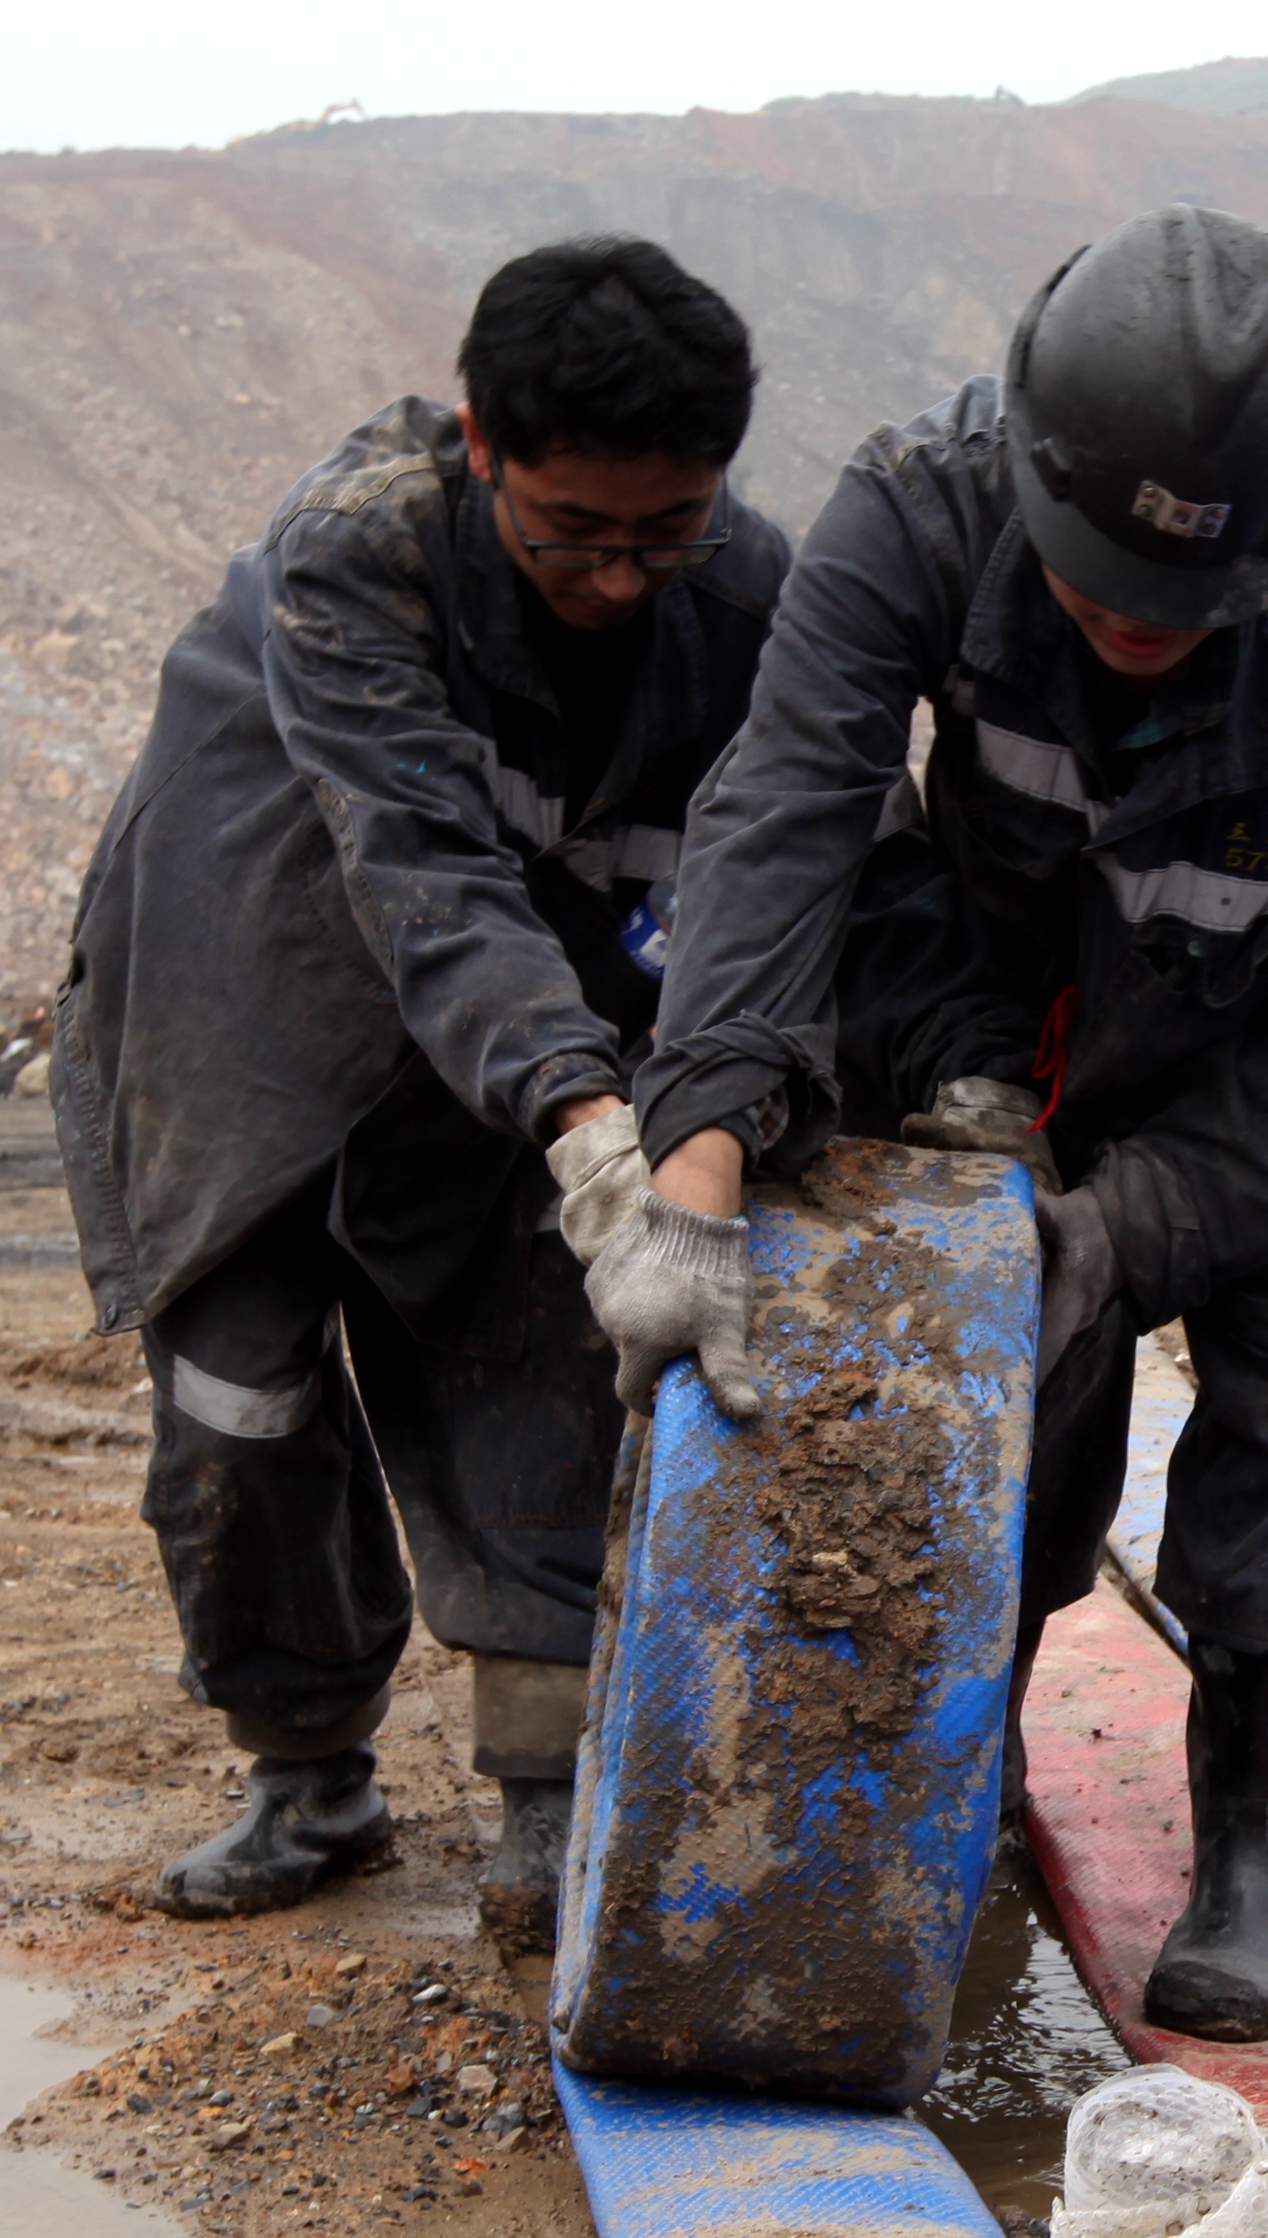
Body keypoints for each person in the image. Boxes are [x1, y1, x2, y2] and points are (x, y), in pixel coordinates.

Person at [584, 207, 1268, 2045]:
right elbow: (787, 814)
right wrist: (688, 1163)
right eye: (1095, 594)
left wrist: (1129, 1229)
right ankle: (944, 1746)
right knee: (1010, 1388)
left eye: (1184, 612)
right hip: (1020, 1020)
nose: (1137, 633)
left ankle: (1248, 1833)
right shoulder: (918, 507)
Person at [51, 237, 789, 1941]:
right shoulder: (358, 551)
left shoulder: (744, 589)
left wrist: (693, 1116)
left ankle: (545, 1785)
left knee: (542, 1352)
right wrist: (596, 1133)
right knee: (240, 1400)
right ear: (480, 443)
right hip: (247, 975)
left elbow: (789, 860)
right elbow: (424, 871)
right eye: (571, 535)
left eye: (660, 533)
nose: (618, 580)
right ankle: (306, 1767)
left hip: (517, 1010)